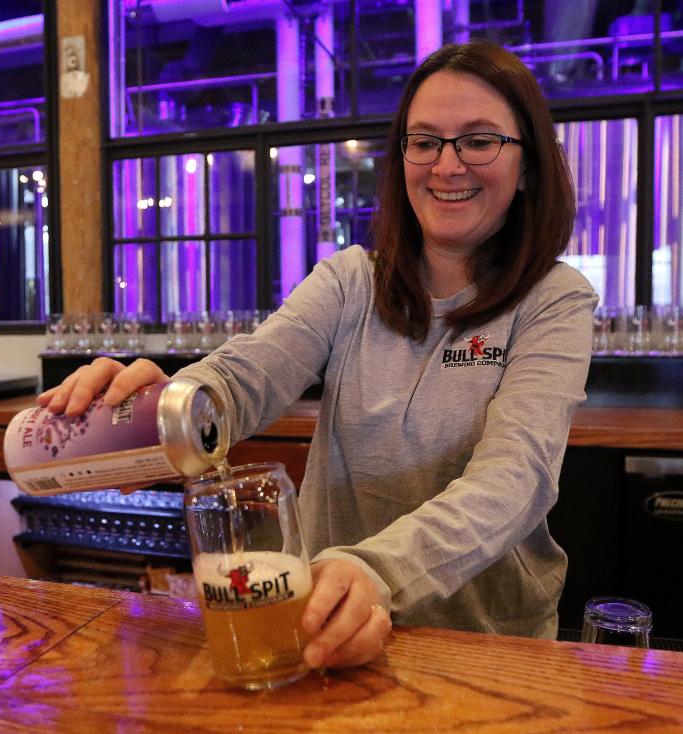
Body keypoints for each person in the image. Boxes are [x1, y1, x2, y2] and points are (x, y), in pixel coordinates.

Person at [39, 40, 597, 672]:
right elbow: (247, 375)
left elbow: (516, 477)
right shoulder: (350, 280)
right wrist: (163, 416)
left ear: (527, 165)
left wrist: (374, 569)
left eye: (479, 140)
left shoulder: (554, 299)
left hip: (487, 645)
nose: (447, 165)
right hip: (330, 634)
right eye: (425, 141)